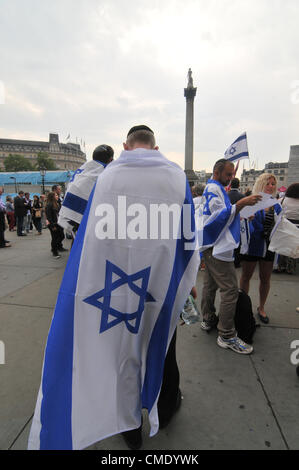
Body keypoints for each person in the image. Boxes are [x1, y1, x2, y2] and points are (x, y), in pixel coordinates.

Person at [28, 125, 199, 451]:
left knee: (118, 354)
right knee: (161, 348)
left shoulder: (106, 178)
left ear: (125, 145)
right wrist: (188, 278)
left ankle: (129, 425)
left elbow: (88, 239)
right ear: (155, 146)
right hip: (157, 289)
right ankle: (165, 405)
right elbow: (189, 238)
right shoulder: (177, 178)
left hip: (110, 287)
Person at [198, 159, 261, 354]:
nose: (230, 178)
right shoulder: (214, 189)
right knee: (230, 289)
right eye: (228, 174)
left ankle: (208, 318)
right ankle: (226, 334)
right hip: (217, 247)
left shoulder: (215, 187)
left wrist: (240, 212)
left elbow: (220, 215)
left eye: (232, 175)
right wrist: (240, 204)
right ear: (216, 172)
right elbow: (218, 218)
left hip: (212, 245)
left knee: (210, 284)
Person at [240, 173, 282, 324]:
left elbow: (279, 226)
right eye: (268, 183)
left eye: (273, 184)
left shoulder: (276, 204)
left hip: (269, 246)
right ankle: (243, 308)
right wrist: (248, 219)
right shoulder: (252, 201)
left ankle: (261, 308)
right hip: (252, 245)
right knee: (246, 276)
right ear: (261, 184)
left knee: (265, 279)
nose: (271, 186)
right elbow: (243, 224)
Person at [58, 144, 114, 237]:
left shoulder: (84, 170)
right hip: (88, 221)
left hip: (73, 216)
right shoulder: (100, 174)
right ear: (110, 160)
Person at [276, 183, 299, 274]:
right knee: (293, 248)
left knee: (282, 246)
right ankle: (290, 268)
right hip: (297, 228)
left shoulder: (281, 200)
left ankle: (280, 266)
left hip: (284, 226)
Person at [228, 178, 245, 268]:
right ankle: (237, 262)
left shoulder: (226, 195)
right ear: (239, 185)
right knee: (238, 240)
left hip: (228, 221)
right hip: (239, 221)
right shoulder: (242, 196)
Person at [45, 192, 65, 258]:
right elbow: (49, 216)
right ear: (52, 197)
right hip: (53, 224)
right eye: (56, 195)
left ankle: (56, 247)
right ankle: (54, 252)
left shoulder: (57, 203)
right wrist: (52, 226)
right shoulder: (49, 205)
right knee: (55, 238)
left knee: (62, 236)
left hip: (58, 223)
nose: (57, 196)